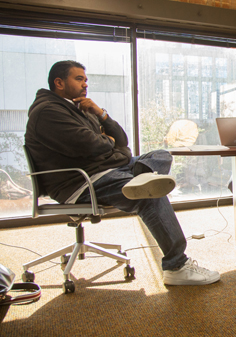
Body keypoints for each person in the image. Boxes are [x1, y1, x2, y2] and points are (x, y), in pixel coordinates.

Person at [25, 60, 219, 286]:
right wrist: (112, 146)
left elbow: (122, 140)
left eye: (86, 79)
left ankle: (138, 178)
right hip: (81, 182)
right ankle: (176, 266)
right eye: (79, 79)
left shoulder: (81, 108)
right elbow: (93, 145)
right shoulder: (48, 112)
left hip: (107, 169)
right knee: (149, 194)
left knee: (162, 155)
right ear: (59, 82)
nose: (85, 84)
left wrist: (100, 114)